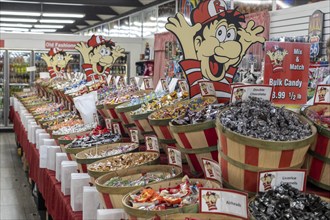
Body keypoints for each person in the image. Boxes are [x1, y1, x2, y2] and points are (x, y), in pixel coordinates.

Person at [166, 0, 265, 103]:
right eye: (220, 33)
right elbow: (191, 60)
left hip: (224, 113)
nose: (227, 44)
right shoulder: (197, 74)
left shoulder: (225, 71)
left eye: (230, 35)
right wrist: (187, 43)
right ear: (198, 43)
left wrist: (244, 44)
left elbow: (233, 61)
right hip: (202, 115)